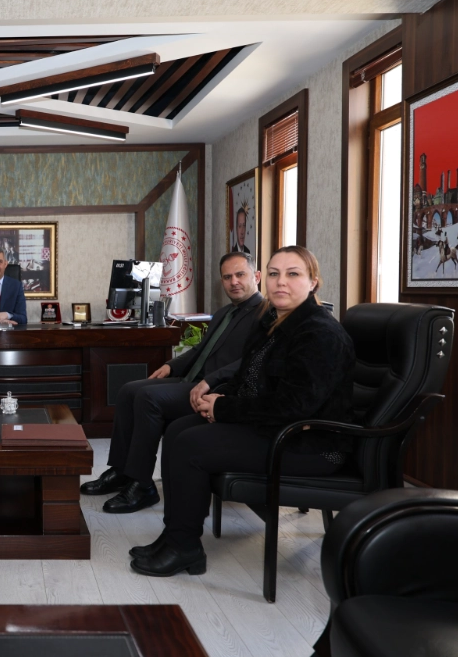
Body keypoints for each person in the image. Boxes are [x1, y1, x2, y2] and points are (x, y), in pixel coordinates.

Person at [130, 246, 355, 577]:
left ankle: (184, 547)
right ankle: (175, 534)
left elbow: (293, 407)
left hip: (311, 445)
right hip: (275, 428)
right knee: (178, 428)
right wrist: (218, 396)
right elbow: (250, 377)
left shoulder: (319, 333)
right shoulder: (274, 321)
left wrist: (223, 408)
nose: (281, 282)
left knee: (191, 445)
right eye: (275, 274)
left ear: (313, 282)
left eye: (293, 274)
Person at [81, 252, 263, 513]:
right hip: (193, 379)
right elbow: (201, 349)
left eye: (240, 275)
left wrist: (209, 380)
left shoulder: (265, 315)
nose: (233, 282)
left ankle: (143, 485)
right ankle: (122, 470)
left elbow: (251, 361)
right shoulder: (225, 312)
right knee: (129, 390)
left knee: (148, 398)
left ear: (256, 276)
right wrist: (170, 366)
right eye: (227, 277)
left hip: (218, 390)